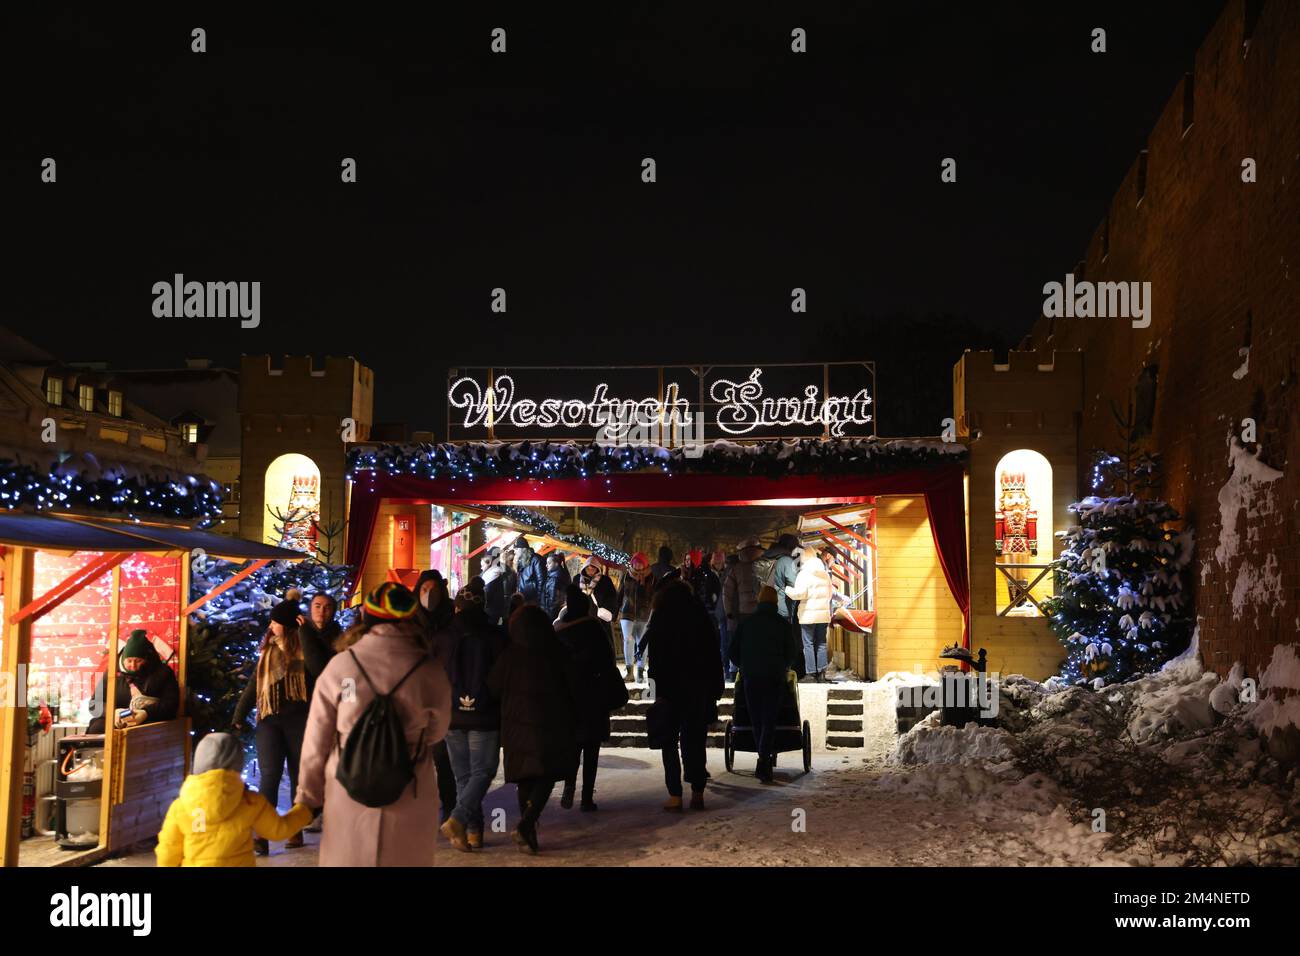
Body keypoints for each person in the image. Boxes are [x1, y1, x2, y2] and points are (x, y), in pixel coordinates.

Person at [297, 582, 453, 866]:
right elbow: (437, 731)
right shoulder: (429, 670)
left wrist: (308, 798)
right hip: (410, 785)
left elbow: (316, 738)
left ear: (366, 620)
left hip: (348, 784)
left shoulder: (342, 667)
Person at [487, 605, 577, 854]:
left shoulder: (509, 655)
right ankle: (527, 824)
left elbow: (493, 687)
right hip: (551, 722)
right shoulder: (556, 652)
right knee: (546, 772)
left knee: (525, 776)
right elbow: (573, 685)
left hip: (515, 726)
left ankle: (529, 831)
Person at [156, 732, 313, 866]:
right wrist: (305, 809)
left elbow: (168, 850)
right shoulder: (250, 802)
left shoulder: (181, 806)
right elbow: (279, 830)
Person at [232, 598, 312, 854]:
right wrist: (239, 714)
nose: (271, 625)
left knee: (299, 777)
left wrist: (307, 634)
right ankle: (262, 834)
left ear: (288, 626)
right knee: (270, 775)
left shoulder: (305, 650)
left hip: (298, 719)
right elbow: (254, 685)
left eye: (276, 622)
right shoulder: (268, 652)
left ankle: (295, 829)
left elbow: (320, 675)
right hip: (269, 721)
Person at [642, 580, 724, 811]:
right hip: (697, 687)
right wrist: (716, 688)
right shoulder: (700, 615)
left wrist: (652, 691)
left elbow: (654, 659)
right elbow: (712, 653)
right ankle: (697, 792)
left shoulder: (660, 616)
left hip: (669, 689)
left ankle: (675, 795)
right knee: (695, 740)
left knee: (669, 742)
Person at [439, 586, 507, 851]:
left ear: (457, 607)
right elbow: (501, 676)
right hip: (484, 716)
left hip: (452, 716)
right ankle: (460, 821)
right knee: (484, 770)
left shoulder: (443, 637)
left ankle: (472, 831)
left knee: (463, 777)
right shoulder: (496, 636)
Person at [555, 585, 625, 811]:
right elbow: (608, 661)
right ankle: (586, 797)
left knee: (572, 747)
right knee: (591, 749)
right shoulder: (595, 630)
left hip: (569, 697)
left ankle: (568, 788)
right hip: (594, 696)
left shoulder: (560, 632)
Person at [728, 586, 801, 783]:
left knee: (756, 718)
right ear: (775, 603)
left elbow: (732, 651)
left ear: (759, 602)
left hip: (751, 677)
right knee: (769, 718)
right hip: (774, 677)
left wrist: (744, 664)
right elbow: (791, 651)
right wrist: (784, 665)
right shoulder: (782, 624)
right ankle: (764, 759)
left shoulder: (747, 623)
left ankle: (763, 758)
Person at [298, 592, 339, 834]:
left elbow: (318, 668)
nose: (321, 612)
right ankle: (309, 810)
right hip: (302, 706)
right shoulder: (301, 632)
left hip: (328, 706)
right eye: (317, 606)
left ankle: (323, 810)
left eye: (326, 607)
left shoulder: (338, 637)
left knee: (325, 760)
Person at [86, 629, 179, 735]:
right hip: (115, 722)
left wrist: (146, 713)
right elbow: (94, 705)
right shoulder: (111, 673)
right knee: (97, 728)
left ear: (147, 659)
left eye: (138, 661)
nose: (133, 665)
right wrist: (112, 713)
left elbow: (172, 704)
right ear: (123, 658)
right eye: (129, 661)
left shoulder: (163, 673)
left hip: (149, 723)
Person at [785, 547, 841, 682]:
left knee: (808, 644)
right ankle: (821, 674)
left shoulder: (804, 574)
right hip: (822, 615)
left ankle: (810, 674)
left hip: (808, 616)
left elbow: (800, 594)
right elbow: (829, 595)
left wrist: (787, 589)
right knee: (821, 643)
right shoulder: (826, 574)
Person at [760, 533, 803, 675]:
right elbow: (794, 582)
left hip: (763, 604)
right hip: (782, 607)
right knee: (783, 640)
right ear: (791, 546)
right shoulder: (785, 560)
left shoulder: (764, 558)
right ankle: (784, 669)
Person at [723, 538, 765, 680]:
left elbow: (727, 592)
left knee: (745, 642)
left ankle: (743, 669)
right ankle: (759, 668)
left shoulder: (737, 569)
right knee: (760, 642)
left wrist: (728, 611)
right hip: (761, 611)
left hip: (744, 612)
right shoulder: (766, 566)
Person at [616, 552, 654, 681]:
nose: (637, 566)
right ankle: (629, 672)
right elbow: (620, 592)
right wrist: (616, 611)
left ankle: (640, 670)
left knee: (642, 642)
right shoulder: (627, 575)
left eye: (640, 563)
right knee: (628, 639)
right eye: (635, 563)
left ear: (645, 564)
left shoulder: (651, 577)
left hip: (644, 614)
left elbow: (654, 596)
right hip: (627, 612)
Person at [576, 555, 619, 653]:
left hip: (600, 620)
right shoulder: (577, 579)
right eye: (588, 567)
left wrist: (608, 610)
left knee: (602, 646)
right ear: (584, 568)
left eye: (593, 568)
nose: (590, 570)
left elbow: (612, 598)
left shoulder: (605, 581)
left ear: (597, 568)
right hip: (582, 619)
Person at [413, 569, 454, 635]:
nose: (429, 594)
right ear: (418, 591)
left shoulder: (451, 612)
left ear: (441, 592)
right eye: (425, 589)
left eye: (434, 590)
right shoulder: (409, 615)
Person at [513, 537, 546, 603]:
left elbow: (541, 581)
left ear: (523, 549)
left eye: (516, 549)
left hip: (533, 599)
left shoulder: (536, 559)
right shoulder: (520, 561)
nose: (514, 551)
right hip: (523, 598)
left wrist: (538, 599)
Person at [540, 552, 572, 620]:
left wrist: (548, 616)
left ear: (556, 564)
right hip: (558, 613)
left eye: (549, 563)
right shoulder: (560, 575)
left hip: (552, 614)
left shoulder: (555, 579)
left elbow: (553, 601)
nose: (546, 565)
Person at [482, 547, 508, 625]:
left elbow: (487, 594)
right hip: (494, 610)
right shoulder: (495, 571)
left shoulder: (495, 573)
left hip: (492, 610)